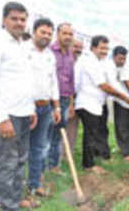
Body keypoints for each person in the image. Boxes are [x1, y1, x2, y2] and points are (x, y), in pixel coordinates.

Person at [0, 2, 38, 210]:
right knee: (7, 163)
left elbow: (25, 80)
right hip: (7, 115)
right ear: (4, 20)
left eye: (23, 19)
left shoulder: (23, 45)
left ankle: (15, 198)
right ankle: (8, 206)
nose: (19, 23)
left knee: (21, 160)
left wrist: (31, 109)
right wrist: (2, 118)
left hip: (23, 113)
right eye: (14, 18)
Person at [75, 35, 129, 173]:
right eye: (101, 48)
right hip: (87, 103)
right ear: (93, 47)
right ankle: (89, 165)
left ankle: (94, 159)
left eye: (106, 48)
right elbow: (104, 85)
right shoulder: (88, 61)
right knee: (90, 135)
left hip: (97, 104)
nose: (104, 51)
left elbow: (112, 83)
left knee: (96, 132)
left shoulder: (102, 62)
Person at [26, 18, 61, 198]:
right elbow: (22, 82)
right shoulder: (23, 51)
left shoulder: (49, 55)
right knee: (18, 148)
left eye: (49, 33)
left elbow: (52, 81)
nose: (46, 36)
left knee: (39, 147)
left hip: (45, 107)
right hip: (25, 108)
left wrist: (57, 107)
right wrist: (29, 107)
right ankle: (14, 189)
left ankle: (34, 184)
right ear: (34, 32)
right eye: (43, 32)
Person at [48, 23, 75, 174]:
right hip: (51, 100)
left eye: (70, 34)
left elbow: (70, 79)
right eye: (65, 33)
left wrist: (71, 103)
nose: (68, 37)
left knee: (58, 133)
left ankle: (53, 166)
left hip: (65, 99)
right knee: (46, 133)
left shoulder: (69, 54)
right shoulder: (50, 51)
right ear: (57, 34)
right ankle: (42, 168)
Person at [104, 46, 129, 161]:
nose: (122, 61)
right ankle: (125, 152)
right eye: (119, 59)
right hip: (120, 100)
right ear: (114, 56)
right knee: (121, 127)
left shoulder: (126, 65)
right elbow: (115, 86)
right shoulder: (109, 66)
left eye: (124, 59)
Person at [65, 38, 84, 157]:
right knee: (60, 127)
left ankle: (68, 154)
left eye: (80, 47)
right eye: (75, 46)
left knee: (72, 128)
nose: (77, 49)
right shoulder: (65, 60)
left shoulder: (82, 62)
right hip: (65, 98)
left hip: (77, 98)